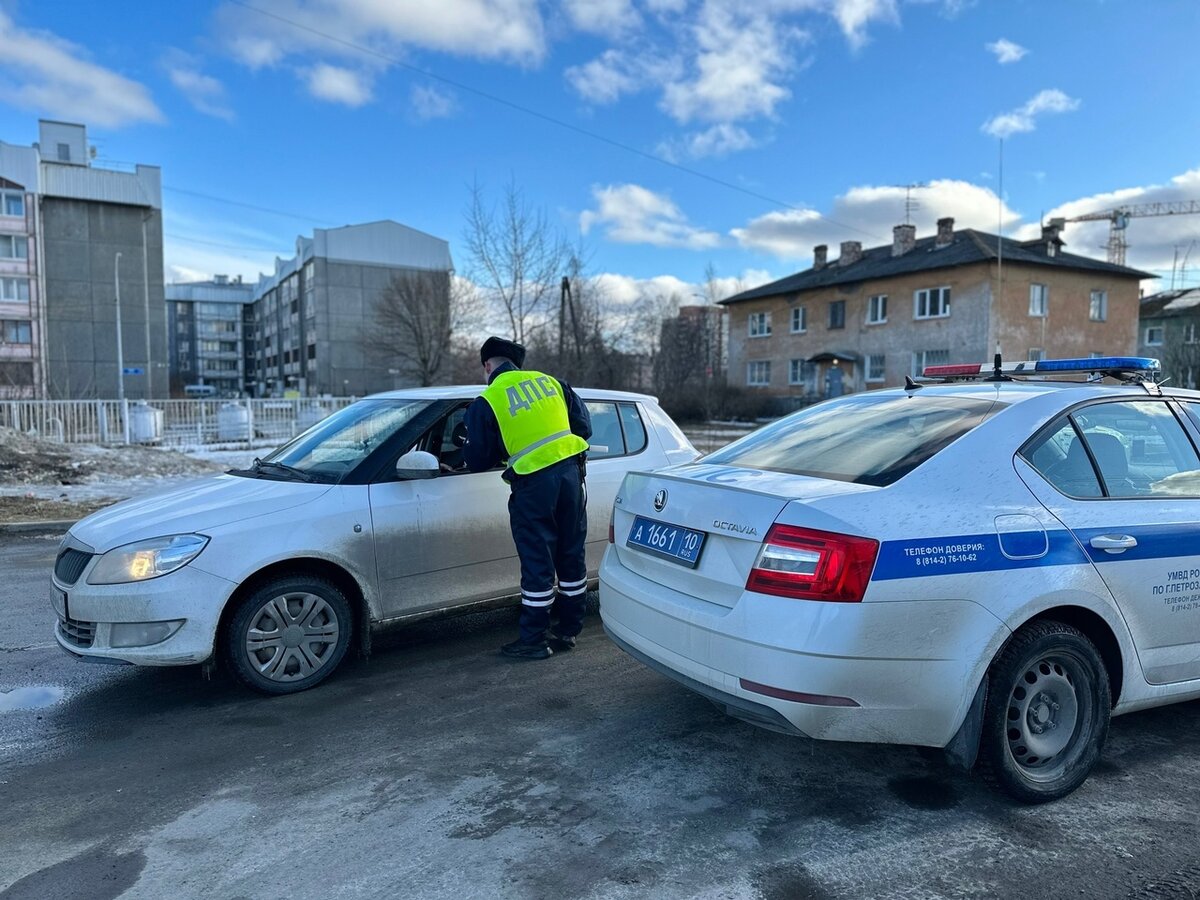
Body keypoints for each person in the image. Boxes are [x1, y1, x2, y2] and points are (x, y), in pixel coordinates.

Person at [464, 336, 592, 659]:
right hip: (571, 475)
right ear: (516, 364)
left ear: (488, 365)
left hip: (534, 484)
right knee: (571, 553)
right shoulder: (552, 383)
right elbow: (584, 427)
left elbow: (477, 459)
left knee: (538, 561)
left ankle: (534, 640)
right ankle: (569, 630)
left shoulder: (488, 399)